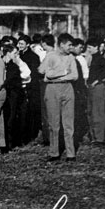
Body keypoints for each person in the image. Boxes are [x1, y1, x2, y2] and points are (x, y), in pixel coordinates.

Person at [39, 33, 78, 162]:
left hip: (67, 89)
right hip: (52, 90)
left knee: (69, 123)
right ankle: (54, 152)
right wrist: (63, 72)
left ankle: (71, 154)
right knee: (53, 124)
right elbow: (43, 72)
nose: (71, 48)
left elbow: (75, 76)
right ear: (61, 44)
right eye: (69, 45)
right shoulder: (51, 56)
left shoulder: (71, 57)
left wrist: (56, 75)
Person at [86, 41, 105, 145]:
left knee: (98, 112)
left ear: (96, 47)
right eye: (87, 47)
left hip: (98, 88)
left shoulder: (100, 58)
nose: (88, 49)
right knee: (91, 112)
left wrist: (97, 80)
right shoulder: (92, 58)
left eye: (90, 47)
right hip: (91, 87)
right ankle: (94, 137)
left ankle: (99, 138)